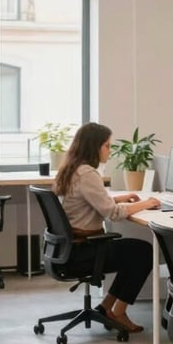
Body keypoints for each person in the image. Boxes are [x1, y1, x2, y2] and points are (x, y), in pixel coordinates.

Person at [53, 122, 160, 333]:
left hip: (68, 249)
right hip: (84, 250)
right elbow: (114, 213)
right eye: (107, 146)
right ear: (94, 147)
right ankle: (117, 311)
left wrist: (122, 198)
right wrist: (146, 204)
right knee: (143, 252)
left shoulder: (70, 169)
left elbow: (91, 201)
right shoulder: (87, 174)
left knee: (134, 252)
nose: (109, 151)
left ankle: (106, 308)